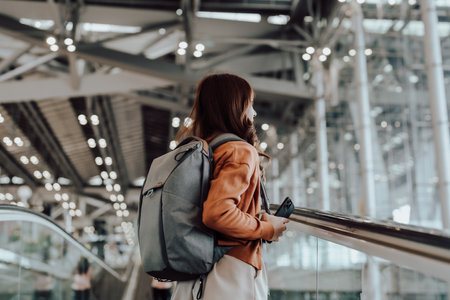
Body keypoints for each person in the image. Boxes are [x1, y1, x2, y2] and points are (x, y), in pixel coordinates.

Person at [171, 73, 289, 300]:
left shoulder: (201, 150)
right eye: (249, 105)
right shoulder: (238, 150)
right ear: (235, 107)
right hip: (230, 273)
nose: (253, 113)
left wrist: (258, 217)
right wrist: (267, 229)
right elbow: (218, 213)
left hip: (196, 269)